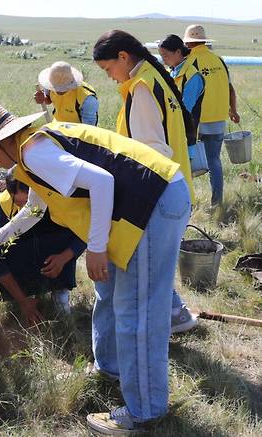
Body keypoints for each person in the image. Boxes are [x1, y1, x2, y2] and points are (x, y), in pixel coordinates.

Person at [0, 102, 190, 435]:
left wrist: (96, 248)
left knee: (138, 312)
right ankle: (110, 368)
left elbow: (101, 182)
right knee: (110, 293)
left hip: (152, 204)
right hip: (145, 201)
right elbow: (34, 209)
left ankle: (145, 412)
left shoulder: (35, 153)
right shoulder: (32, 152)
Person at [93, 30, 198, 335]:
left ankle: (160, 328)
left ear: (123, 57)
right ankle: (176, 314)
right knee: (158, 268)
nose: (110, 77)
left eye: (108, 69)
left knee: (147, 274)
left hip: (158, 194)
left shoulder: (142, 88)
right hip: (177, 187)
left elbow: (150, 154)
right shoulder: (154, 77)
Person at [0, 167, 86, 323]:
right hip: (25, 257)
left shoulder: (57, 199)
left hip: (54, 254)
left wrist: (63, 257)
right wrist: (22, 302)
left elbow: (85, 233)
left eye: (27, 204)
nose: (23, 212)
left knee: (60, 237)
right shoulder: (6, 204)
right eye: (17, 203)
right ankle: (24, 294)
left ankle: (59, 291)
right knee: (8, 248)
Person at [183, 24, 240, 206]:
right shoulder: (219, 61)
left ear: (188, 43)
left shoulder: (189, 62)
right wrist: (233, 110)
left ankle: (188, 203)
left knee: (188, 162)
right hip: (218, 120)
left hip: (196, 123)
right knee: (214, 161)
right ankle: (217, 203)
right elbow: (231, 89)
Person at [159, 34, 205, 159]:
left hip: (184, 136)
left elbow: (185, 109)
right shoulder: (170, 72)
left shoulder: (192, 77)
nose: (163, 60)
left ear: (178, 52)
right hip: (169, 134)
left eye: (166, 56)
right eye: (161, 56)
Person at [34, 61, 99, 126]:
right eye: (55, 87)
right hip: (57, 127)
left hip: (78, 131)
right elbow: (49, 99)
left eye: (61, 88)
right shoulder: (51, 83)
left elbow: (89, 128)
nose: (56, 90)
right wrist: (43, 99)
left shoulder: (87, 98)